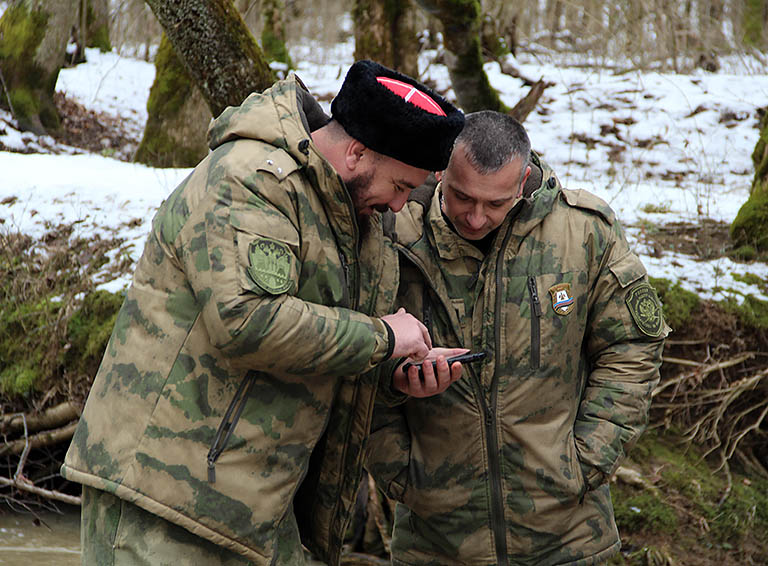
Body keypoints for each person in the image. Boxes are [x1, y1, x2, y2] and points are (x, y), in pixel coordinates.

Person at [61, 60, 465, 566]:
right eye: (402, 186)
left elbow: (328, 346)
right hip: (163, 501)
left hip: (261, 513)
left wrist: (394, 374)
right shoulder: (249, 179)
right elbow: (247, 321)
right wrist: (383, 337)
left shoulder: (358, 218)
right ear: (357, 152)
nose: (403, 206)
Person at [366, 111, 671, 566]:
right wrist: (401, 465)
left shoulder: (583, 231)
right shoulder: (392, 236)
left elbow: (632, 346)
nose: (475, 217)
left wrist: (588, 457)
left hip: (568, 538)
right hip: (437, 540)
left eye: (495, 204)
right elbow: (354, 350)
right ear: (440, 171)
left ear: (524, 179)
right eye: (461, 197)